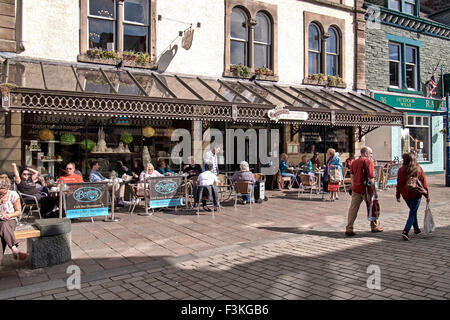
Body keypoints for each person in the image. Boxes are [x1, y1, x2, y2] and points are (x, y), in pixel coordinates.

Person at [345, 146, 384, 236]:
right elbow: (371, 177)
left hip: (356, 189)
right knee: (372, 206)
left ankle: (349, 227)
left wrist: (353, 186)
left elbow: (352, 175)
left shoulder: (354, 162)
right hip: (366, 189)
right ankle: (374, 226)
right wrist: (374, 190)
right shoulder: (368, 162)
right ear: (366, 153)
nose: (371, 155)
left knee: (353, 209)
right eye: (370, 153)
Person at [396, 152, 430, 241]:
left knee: (413, 211)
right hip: (416, 194)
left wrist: (398, 195)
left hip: (405, 195)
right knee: (412, 212)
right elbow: (424, 183)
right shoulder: (418, 169)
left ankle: (416, 228)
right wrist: (427, 195)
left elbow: (398, 183)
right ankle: (405, 231)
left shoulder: (401, 170)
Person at [0, 175, 28, 263]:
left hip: (10, 220)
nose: (1, 195)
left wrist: (9, 215)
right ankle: (15, 250)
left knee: (4, 225)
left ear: (8, 188)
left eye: (3, 193)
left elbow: (18, 211)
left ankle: (14, 250)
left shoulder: (13, 195)